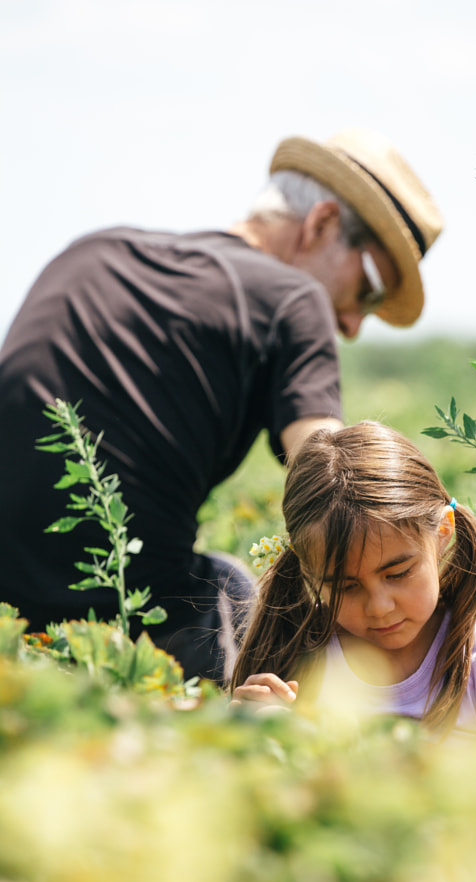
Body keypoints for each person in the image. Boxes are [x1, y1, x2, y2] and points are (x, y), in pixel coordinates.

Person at [0, 129, 443, 684]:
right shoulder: (292, 298)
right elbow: (338, 489)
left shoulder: (89, 252)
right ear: (323, 222)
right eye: (369, 288)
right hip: (132, 623)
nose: (352, 325)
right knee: (234, 589)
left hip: (5, 614)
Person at [231, 421, 476, 821]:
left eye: (397, 573)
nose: (380, 606)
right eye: (347, 587)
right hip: (349, 858)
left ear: (442, 534)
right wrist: (259, 728)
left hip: (470, 857)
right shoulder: (305, 658)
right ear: (308, 572)